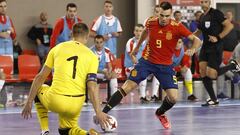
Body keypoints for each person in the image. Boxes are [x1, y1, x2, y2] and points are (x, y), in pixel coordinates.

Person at [100, 1, 202, 129]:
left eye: (167, 16)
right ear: (158, 13)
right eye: (162, 15)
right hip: (147, 62)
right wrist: (137, 47)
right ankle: (102, 113)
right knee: (127, 87)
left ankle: (160, 113)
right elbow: (145, 32)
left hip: (165, 66)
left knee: (173, 98)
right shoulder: (150, 22)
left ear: (170, 15)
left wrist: (193, 49)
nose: (164, 19)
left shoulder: (178, 27)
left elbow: (197, 40)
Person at [22, 23, 109, 135]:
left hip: (56, 100)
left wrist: (29, 101)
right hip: (77, 103)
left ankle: (45, 130)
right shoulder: (92, 56)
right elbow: (92, 87)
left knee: (40, 87)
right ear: (87, 37)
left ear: (71, 34)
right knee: (66, 130)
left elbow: (40, 77)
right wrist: (98, 111)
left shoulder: (57, 49)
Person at [193, 0, 239, 106]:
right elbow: (199, 32)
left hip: (216, 47)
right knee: (202, 72)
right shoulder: (202, 17)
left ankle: (232, 65)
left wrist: (218, 37)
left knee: (212, 74)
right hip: (205, 47)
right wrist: (188, 35)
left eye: (205, 2)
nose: (203, 4)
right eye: (202, 2)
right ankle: (214, 99)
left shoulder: (216, 13)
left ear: (209, 3)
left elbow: (229, 26)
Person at [124, 24, 150, 103]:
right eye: (136, 31)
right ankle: (142, 96)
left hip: (141, 66)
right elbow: (133, 58)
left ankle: (154, 95)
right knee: (142, 73)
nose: (138, 33)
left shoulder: (146, 43)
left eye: (140, 31)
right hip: (130, 68)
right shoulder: (130, 42)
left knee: (157, 73)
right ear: (134, 32)